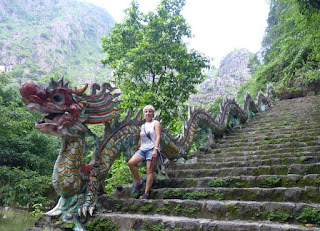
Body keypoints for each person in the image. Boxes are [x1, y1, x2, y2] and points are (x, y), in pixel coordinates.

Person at [128, 105, 161, 199]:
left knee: (149, 170)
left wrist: (155, 149)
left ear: (153, 113)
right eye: (146, 111)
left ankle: (146, 194)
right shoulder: (143, 126)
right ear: (144, 113)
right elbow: (141, 138)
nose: (148, 113)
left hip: (152, 149)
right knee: (131, 163)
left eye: (150, 111)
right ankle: (139, 183)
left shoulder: (156, 123)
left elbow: (158, 136)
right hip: (143, 149)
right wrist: (137, 149)